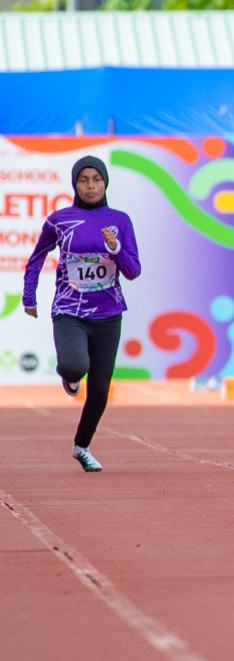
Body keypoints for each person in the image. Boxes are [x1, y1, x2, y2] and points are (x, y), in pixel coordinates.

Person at [22, 156, 142, 472]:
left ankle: (82, 447)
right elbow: (36, 258)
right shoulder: (59, 220)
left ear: (105, 183)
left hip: (109, 314)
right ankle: (71, 378)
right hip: (68, 310)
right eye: (83, 180)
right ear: (75, 184)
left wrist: (115, 248)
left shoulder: (120, 220)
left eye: (96, 179)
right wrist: (28, 294)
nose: (90, 186)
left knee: (100, 389)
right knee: (74, 365)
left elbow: (133, 271)